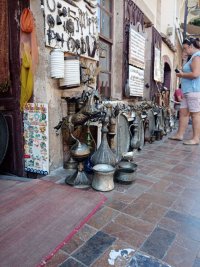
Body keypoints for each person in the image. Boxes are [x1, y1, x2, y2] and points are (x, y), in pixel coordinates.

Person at [169, 38, 200, 145]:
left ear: (191, 46)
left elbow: (195, 74)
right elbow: (188, 70)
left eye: (186, 48)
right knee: (183, 113)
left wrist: (182, 75)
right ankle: (179, 135)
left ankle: (196, 138)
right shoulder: (192, 58)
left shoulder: (197, 57)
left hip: (194, 90)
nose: (185, 50)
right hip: (187, 91)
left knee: (195, 114)